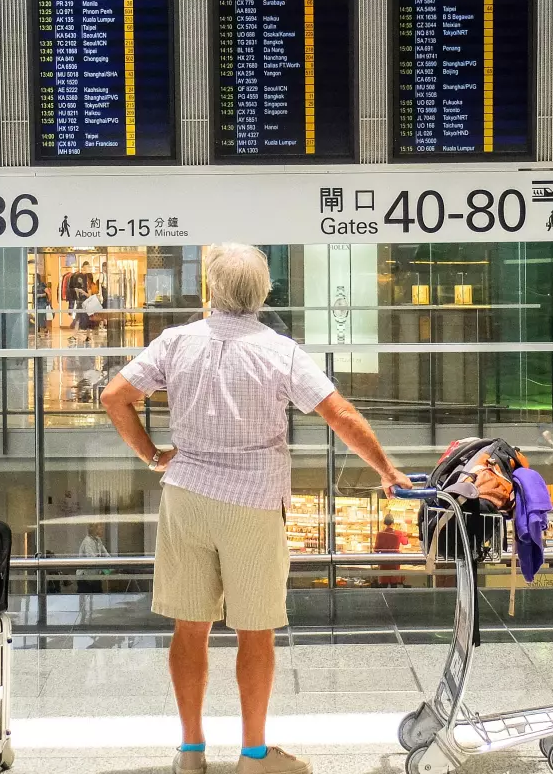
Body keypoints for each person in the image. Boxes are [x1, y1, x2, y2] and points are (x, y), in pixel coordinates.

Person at [101, 244, 410, 774]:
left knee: (189, 627)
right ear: (264, 294)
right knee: (255, 632)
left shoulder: (176, 342)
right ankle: (253, 755)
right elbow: (341, 414)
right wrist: (386, 469)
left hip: (187, 496)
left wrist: (153, 454)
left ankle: (191, 753)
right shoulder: (281, 351)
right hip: (254, 504)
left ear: (212, 291)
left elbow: (114, 396)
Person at [373, 513, 410, 587]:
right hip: (395, 561)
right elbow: (405, 542)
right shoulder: (398, 533)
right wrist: (405, 534)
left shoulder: (380, 534)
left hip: (384, 561)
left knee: (384, 582)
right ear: (393, 523)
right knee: (394, 583)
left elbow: (376, 549)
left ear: (384, 523)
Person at [77, 521, 111, 594]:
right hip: (85, 578)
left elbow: (106, 554)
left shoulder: (98, 540)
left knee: (98, 597)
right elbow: (93, 559)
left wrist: (110, 563)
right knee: (85, 600)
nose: (102, 529)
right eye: (100, 527)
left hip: (95, 576)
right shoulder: (87, 541)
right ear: (94, 529)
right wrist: (105, 568)